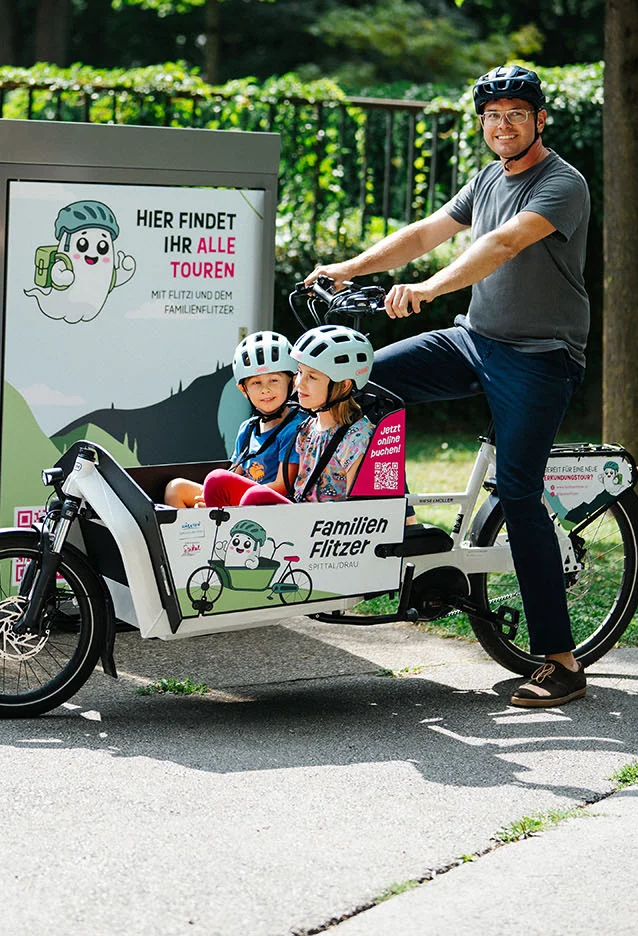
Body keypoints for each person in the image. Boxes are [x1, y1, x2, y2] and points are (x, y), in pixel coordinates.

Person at [306, 64, 592, 707]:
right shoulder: (488, 176)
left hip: (540, 354)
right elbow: (427, 233)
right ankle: (402, 521)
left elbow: (503, 244)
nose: (502, 126)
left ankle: (562, 662)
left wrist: (431, 289)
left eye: (516, 114)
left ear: (540, 119)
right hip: (476, 338)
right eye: (492, 116)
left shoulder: (562, 183)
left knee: (519, 495)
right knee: (363, 381)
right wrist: (350, 266)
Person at [212, 324, 377, 507]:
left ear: (344, 385)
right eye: (299, 372)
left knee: (255, 497)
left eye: (312, 377)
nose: (299, 383)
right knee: (217, 479)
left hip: (328, 526)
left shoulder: (357, 438)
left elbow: (360, 508)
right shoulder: (306, 429)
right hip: (300, 516)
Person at [166, 332, 304, 510]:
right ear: (243, 389)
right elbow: (235, 473)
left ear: (292, 382)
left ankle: (211, 523)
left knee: (220, 481)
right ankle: (193, 535)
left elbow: (282, 487)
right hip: (239, 500)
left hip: (268, 504)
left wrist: (226, 498)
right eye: (256, 383)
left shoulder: (295, 427)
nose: (265, 389)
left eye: (274, 380)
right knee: (176, 488)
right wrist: (210, 495)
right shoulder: (248, 428)